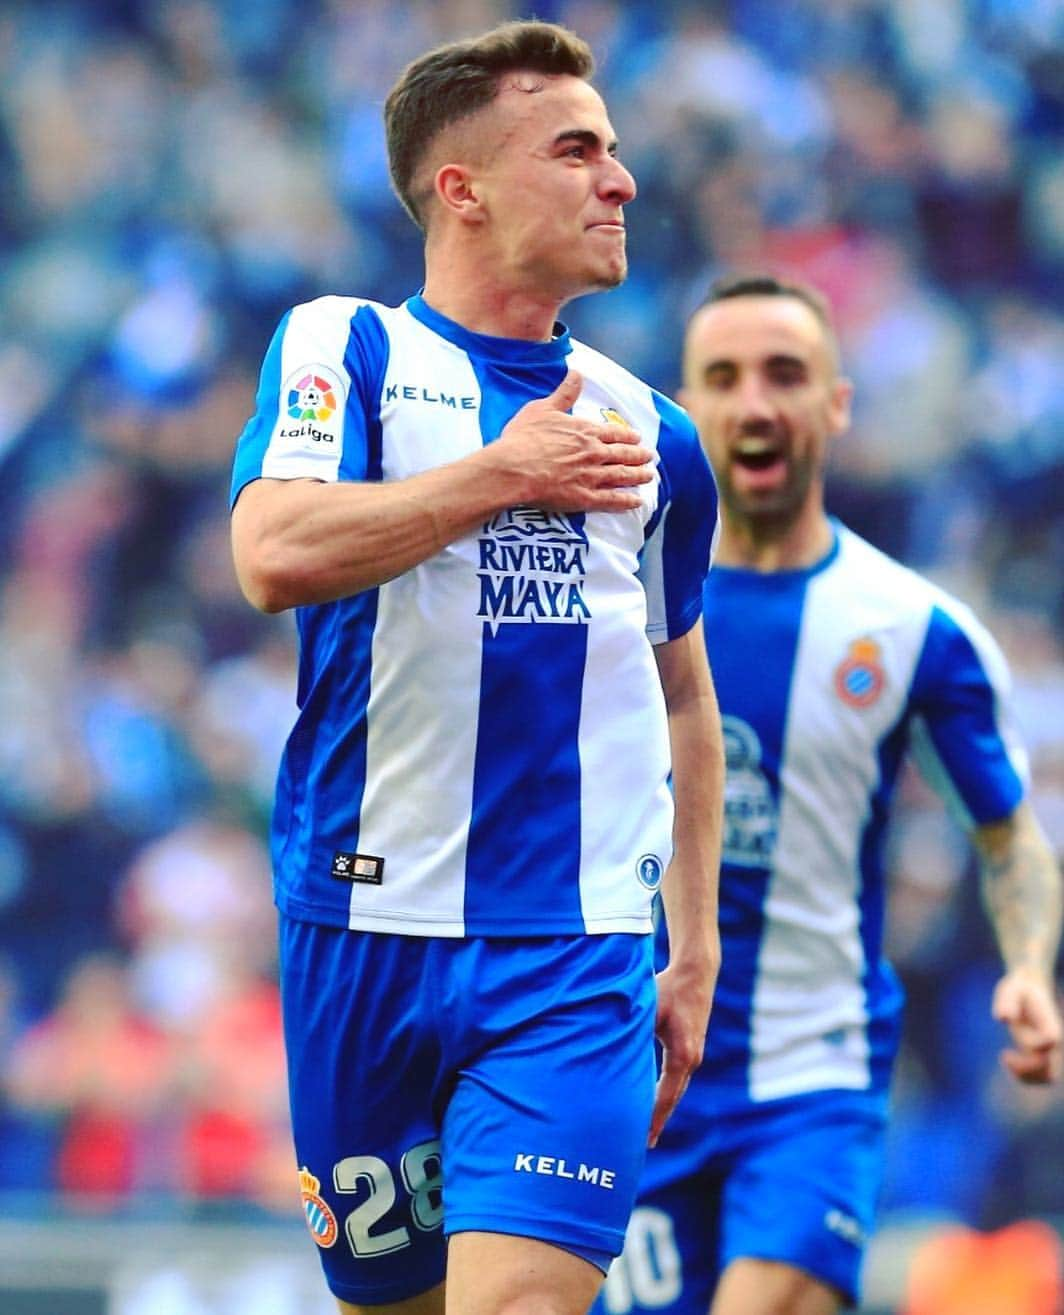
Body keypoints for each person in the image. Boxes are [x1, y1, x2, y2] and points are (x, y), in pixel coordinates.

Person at [229, 21, 724, 1315]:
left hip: (573, 946)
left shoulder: (655, 435)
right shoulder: (349, 350)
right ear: (464, 188)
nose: (619, 180)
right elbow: (272, 550)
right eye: (576, 150)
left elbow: (684, 692)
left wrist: (699, 945)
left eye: (614, 151)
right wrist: (509, 473)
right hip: (360, 932)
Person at [594, 275, 1064, 1315]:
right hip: (626, 1080)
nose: (754, 402)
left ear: (835, 405)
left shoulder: (909, 628)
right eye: (723, 377)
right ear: (685, 409)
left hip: (810, 1079)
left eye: (784, 374)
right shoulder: (603, 606)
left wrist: (1028, 966)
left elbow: (1005, 834)